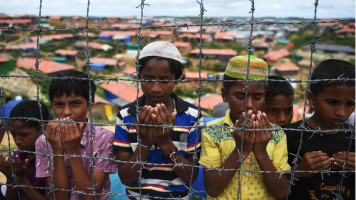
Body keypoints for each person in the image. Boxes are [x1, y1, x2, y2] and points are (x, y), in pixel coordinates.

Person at [114, 41, 202, 199]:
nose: (155, 88)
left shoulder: (191, 116)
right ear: (139, 76)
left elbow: (191, 177)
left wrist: (164, 142)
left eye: (164, 80)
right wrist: (145, 143)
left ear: (177, 79)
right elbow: (126, 178)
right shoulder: (126, 116)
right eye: (148, 79)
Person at [199, 55, 290, 200]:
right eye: (241, 95)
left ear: (265, 98)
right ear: (225, 95)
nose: (249, 105)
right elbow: (213, 189)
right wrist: (240, 150)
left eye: (257, 97)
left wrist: (261, 152)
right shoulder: (212, 130)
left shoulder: (277, 134)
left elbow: (281, 193)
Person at [35, 70, 117, 200]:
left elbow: (90, 196)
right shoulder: (44, 141)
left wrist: (72, 150)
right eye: (59, 104)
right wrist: (57, 151)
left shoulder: (104, 139)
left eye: (75, 103)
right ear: (52, 105)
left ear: (90, 104)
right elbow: (60, 196)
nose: (66, 112)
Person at [285, 59, 355, 199]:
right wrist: (298, 171)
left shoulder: (353, 136)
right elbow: (274, 185)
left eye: (350, 104)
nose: (341, 112)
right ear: (311, 97)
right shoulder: (289, 135)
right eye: (332, 102)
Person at [0, 100, 51, 200]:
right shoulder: (18, 157)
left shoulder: (52, 158)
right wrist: (10, 177)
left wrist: (21, 179)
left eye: (24, 135)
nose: (17, 141)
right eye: (13, 135)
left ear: (44, 129)